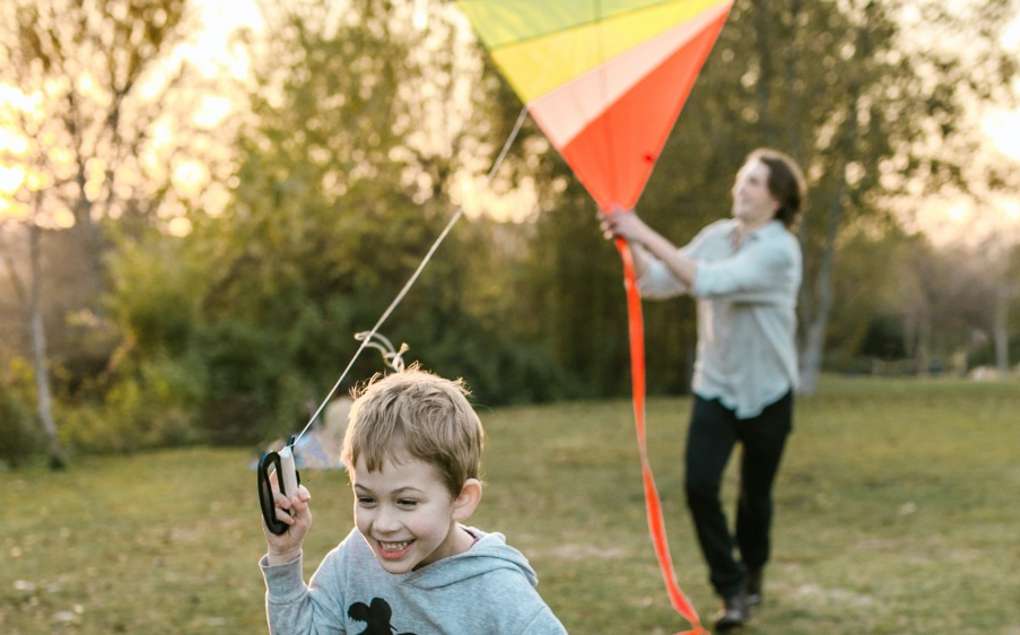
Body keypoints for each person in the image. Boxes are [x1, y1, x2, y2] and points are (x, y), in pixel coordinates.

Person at [600, 148, 806, 631]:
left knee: (755, 498)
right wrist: (626, 242)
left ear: (776, 199)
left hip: (769, 392)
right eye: (741, 177)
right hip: (715, 386)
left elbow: (707, 283)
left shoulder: (779, 250)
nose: (741, 187)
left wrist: (640, 229)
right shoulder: (717, 236)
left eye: (754, 181)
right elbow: (655, 283)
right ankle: (731, 590)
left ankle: (753, 575)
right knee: (698, 485)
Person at [258, 365, 566, 634]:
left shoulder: (501, 595)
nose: (383, 525)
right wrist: (284, 555)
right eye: (366, 499)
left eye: (406, 502)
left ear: (461, 498)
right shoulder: (353, 560)